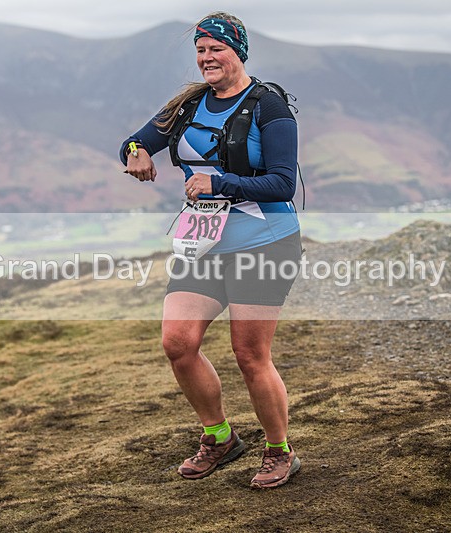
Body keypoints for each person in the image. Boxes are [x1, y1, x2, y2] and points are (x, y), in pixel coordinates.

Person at [119, 11, 302, 489]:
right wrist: (136, 152)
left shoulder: (269, 106)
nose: (206, 58)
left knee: (249, 354)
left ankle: (280, 450)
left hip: (265, 242)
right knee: (177, 343)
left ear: (238, 51)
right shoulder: (187, 105)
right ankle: (219, 438)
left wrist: (219, 181)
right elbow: (139, 140)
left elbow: (282, 181)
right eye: (200, 51)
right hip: (203, 241)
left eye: (215, 49)